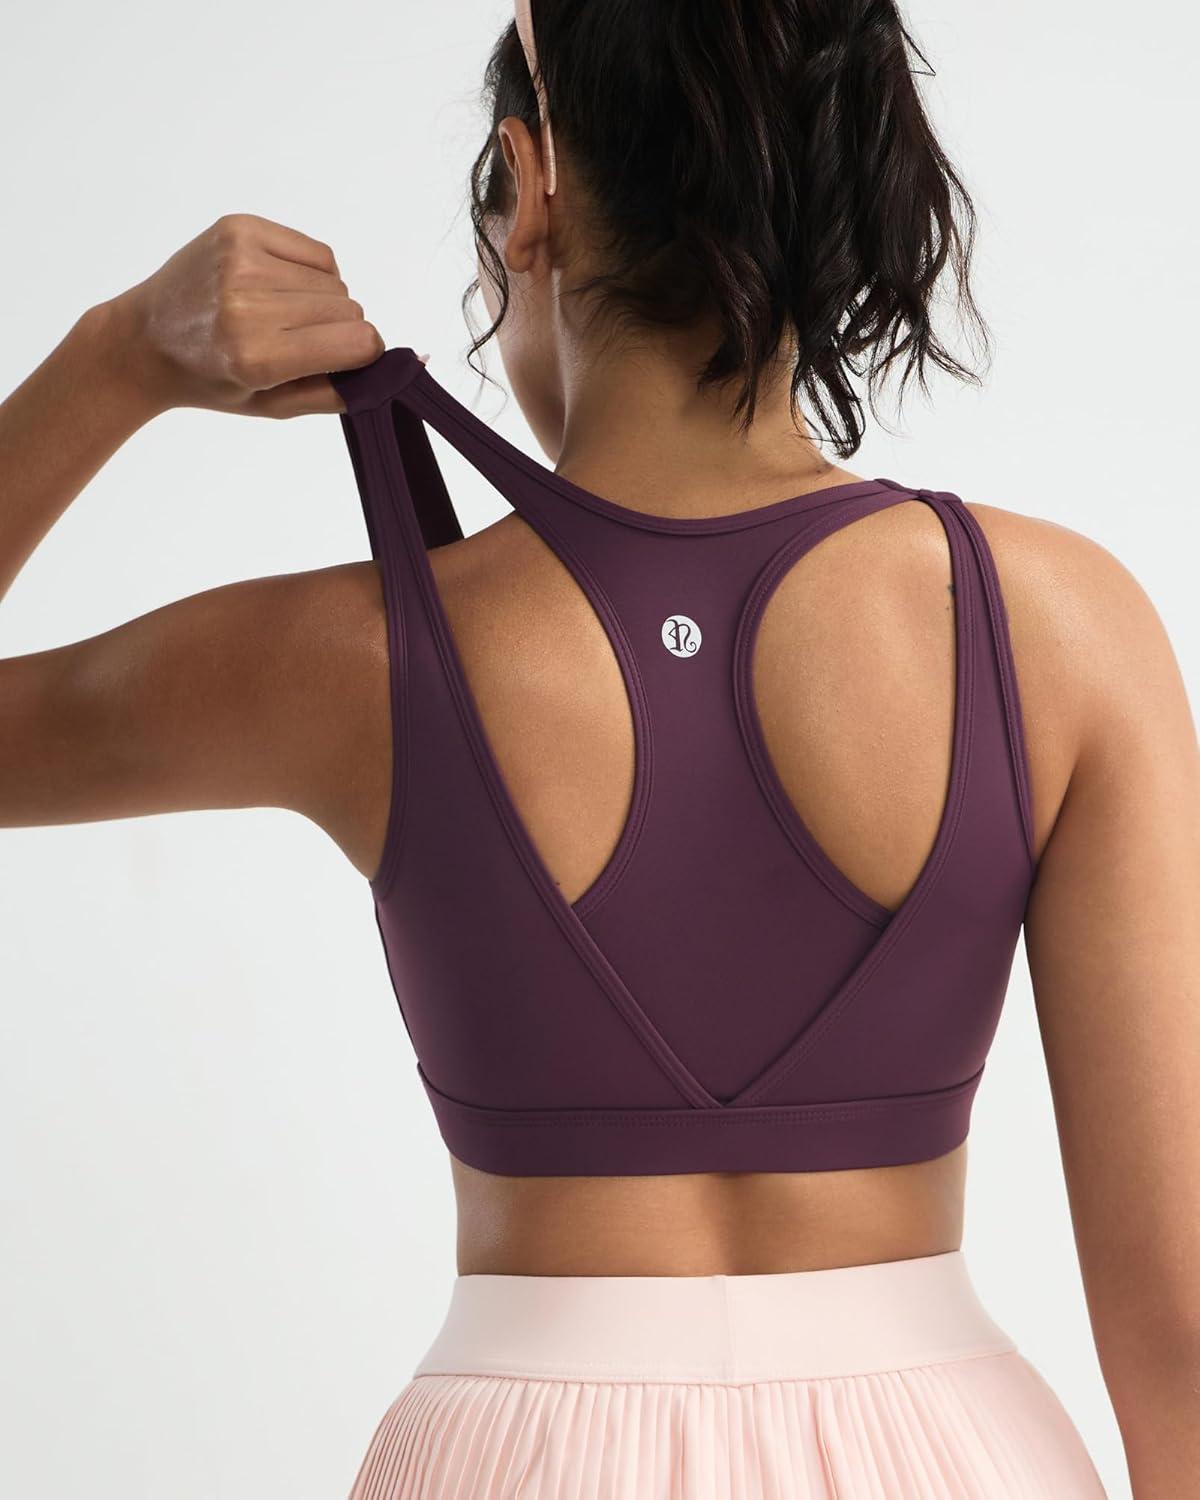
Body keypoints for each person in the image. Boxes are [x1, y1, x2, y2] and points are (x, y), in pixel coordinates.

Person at [2, 1, 1197, 1496]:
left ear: (528, 187)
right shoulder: (1054, 625)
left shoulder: (355, 655)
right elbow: (1183, 1335)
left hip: (516, 1455)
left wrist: (116, 357)